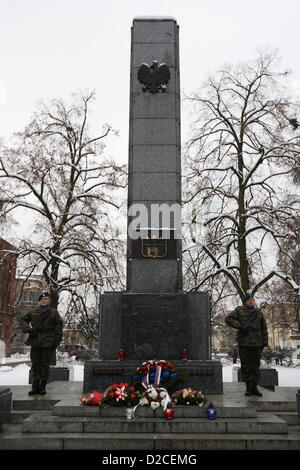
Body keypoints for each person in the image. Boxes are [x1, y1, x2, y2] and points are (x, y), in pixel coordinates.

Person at [225, 291, 268, 397]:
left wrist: (264, 342)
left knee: (256, 366)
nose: (251, 301)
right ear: (245, 302)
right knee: (246, 366)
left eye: (253, 300)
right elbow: (228, 319)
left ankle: (255, 387)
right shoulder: (239, 311)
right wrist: (239, 326)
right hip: (244, 343)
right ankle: (248, 388)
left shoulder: (259, 313)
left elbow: (264, 328)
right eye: (249, 300)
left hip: (257, 343)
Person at [20, 290, 63, 396]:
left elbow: (58, 328)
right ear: (39, 301)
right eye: (42, 299)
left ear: (49, 301)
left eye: (46, 299)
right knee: (35, 364)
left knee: (44, 365)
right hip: (35, 341)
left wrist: (55, 342)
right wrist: (28, 329)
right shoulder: (33, 311)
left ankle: (42, 386)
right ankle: (35, 386)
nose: (43, 301)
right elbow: (23, 320)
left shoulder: (53, 312)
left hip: (47, 342)